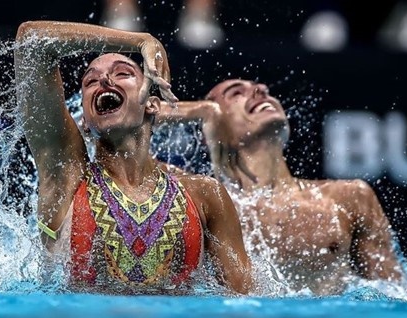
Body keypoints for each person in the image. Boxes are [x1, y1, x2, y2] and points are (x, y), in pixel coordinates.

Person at [13, 21, 253, 295]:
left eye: (123, 73)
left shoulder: (205, 196)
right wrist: (140, 41)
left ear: (152, 104)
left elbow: (243, 303)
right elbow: (30, 41)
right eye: (90, 81)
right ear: (84, 122)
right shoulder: (66, 180)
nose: (104, 80)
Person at [158, 79, 407, 295]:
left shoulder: (348, 197)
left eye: (261, 89)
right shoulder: (197, 196)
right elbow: (121, 136)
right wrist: (202, 111)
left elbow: (394, 295)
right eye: (236, 93)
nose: (261, 92)